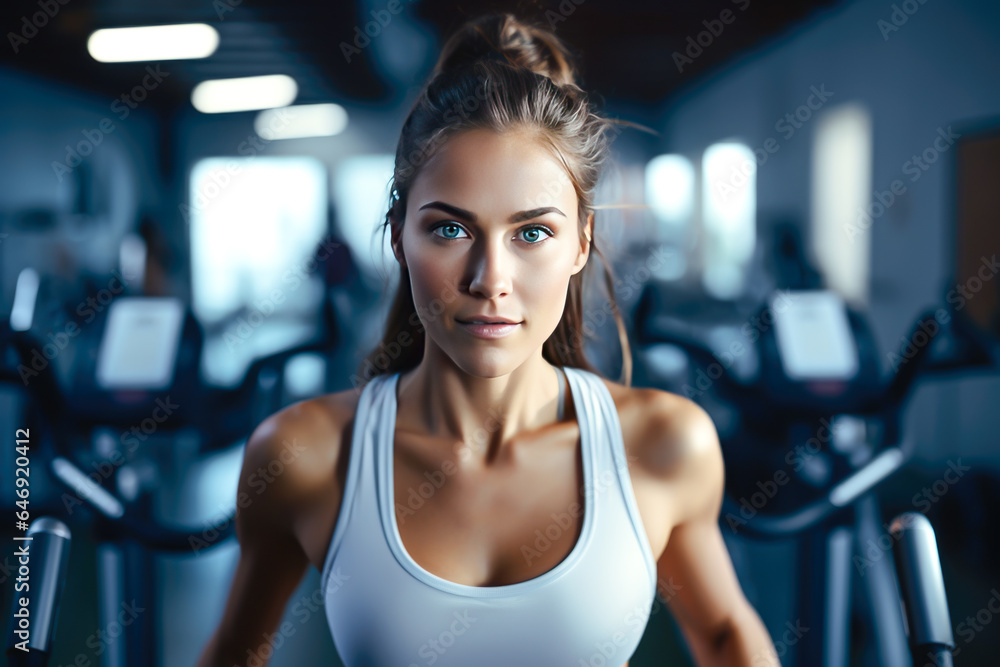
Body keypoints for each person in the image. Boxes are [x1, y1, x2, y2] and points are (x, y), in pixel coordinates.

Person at [198, 12, 777, 667]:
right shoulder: (303, 456)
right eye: (450, 230)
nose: (490, 279)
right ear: (399, 236)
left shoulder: (664, 445)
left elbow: (727, 631)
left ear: (582, 241)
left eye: (532, 233)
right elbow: (234, 653)